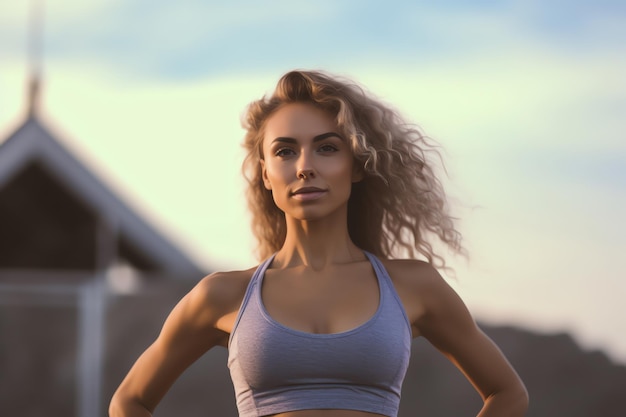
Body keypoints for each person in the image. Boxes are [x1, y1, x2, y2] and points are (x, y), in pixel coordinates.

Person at [109, 70, 529, 417]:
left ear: (358, 165)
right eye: (286, 151)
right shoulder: (221, 295)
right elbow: (130, 401)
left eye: (327, 148)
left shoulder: (414, 286)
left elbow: (507, 393)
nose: (305, 167)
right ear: (264, 172)